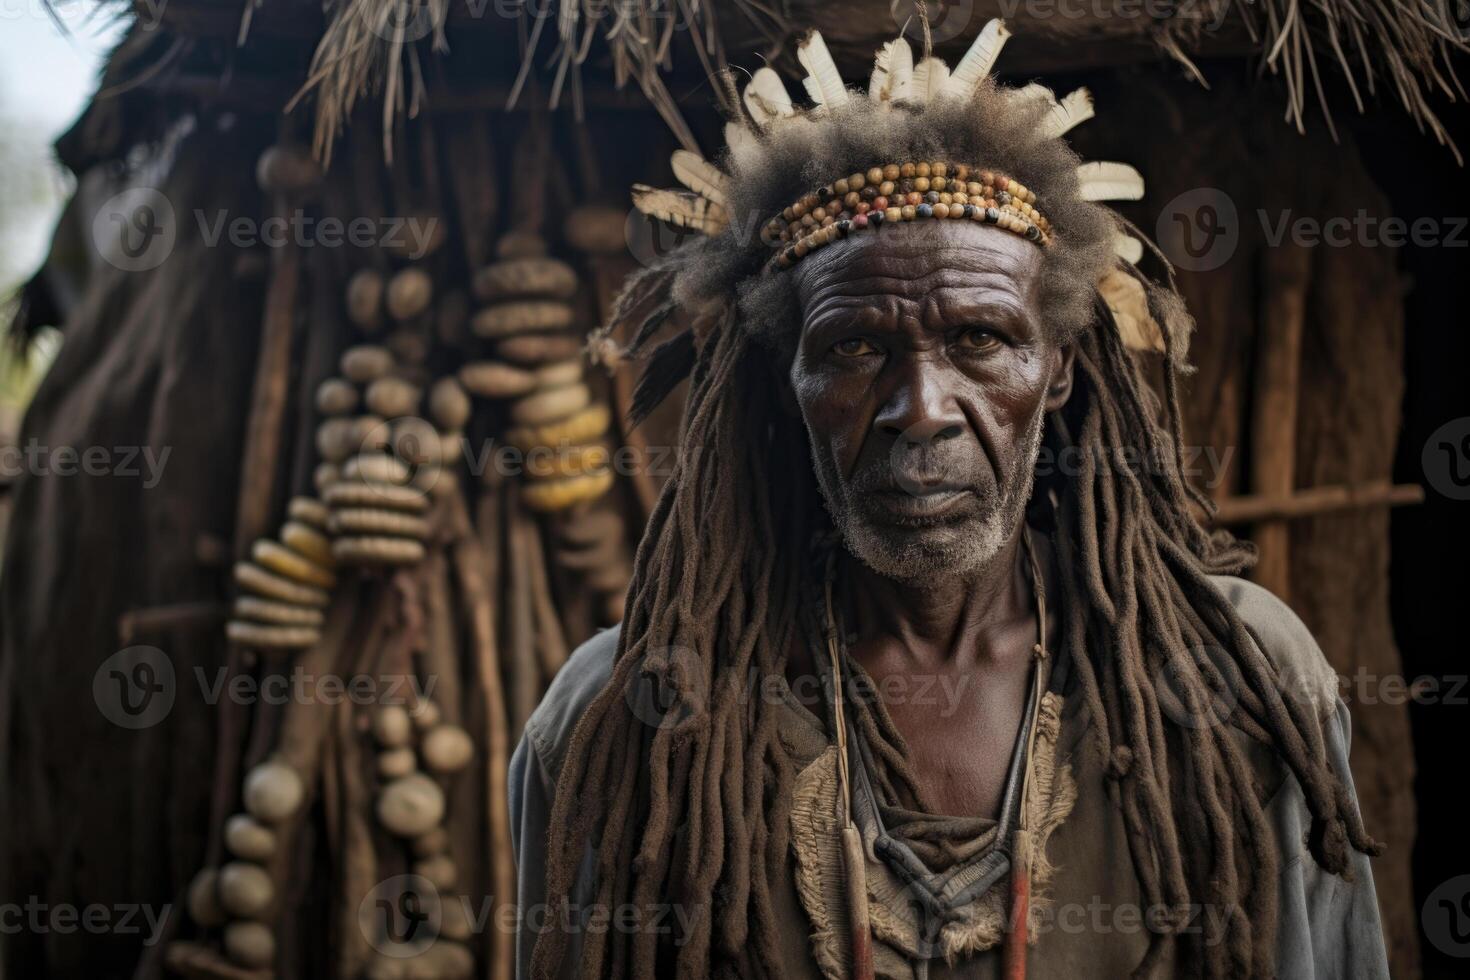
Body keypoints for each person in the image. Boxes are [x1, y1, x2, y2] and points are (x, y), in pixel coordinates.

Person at [510, 21, 1388, 979]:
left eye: (978, 339)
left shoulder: (1238, 687)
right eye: (855, 348)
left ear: (1056, 370)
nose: (921, 411)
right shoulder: (626, 720)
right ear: (783, 380)